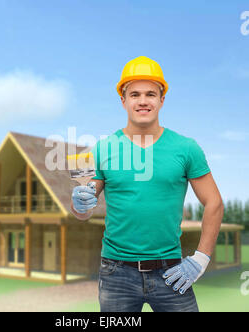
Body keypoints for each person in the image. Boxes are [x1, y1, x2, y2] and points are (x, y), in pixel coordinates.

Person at [70, 56, 224, 312]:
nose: (143, 101)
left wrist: (201, 258)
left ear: (162, 100)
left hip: (172, 272)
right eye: (135, 94)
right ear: (123, 100)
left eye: (151, 94)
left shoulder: (186, 148)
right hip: (116, 273)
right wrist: (78, 203)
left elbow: (214, 203)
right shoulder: (103, 149)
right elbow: (84, 212)